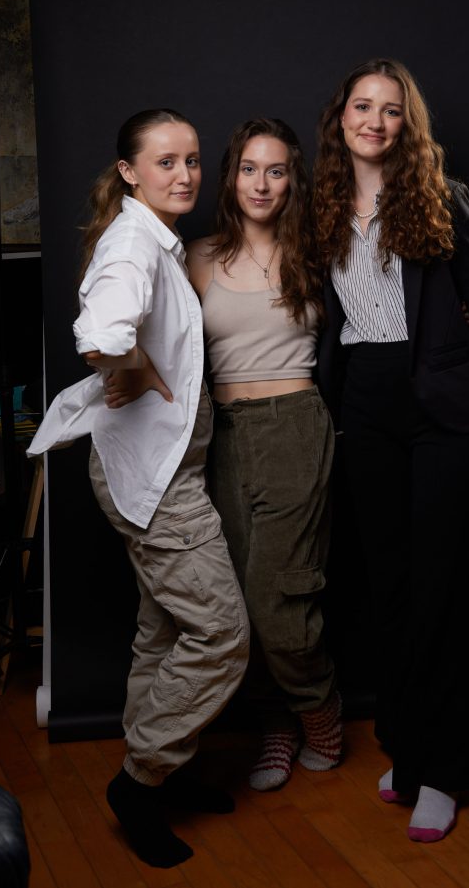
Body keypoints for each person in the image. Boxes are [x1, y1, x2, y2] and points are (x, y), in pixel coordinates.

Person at [313, 59, 469, 843]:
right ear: (340, 116)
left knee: (441, 592)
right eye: (362, 106)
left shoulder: (441, 195)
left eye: (391, 109)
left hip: (447, 408)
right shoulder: (321, 202)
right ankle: (407, 750)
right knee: (390, 590)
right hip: (366, 406)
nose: (374, 120)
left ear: (407, 123)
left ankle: (446, 769)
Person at [27, 108, 249, 868]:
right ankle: (140, 779)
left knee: (163, 630)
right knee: (220, 636)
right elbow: (99, 337)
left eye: (192, 160)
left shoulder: (154, 239)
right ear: (129, 171)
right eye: (165, 162)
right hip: (157, 485)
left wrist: (142, 367)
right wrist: (132, 366)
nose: (185, 175)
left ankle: (165, 772)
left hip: (164, 472)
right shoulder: (132, 244)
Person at [186, 117, 342, 791]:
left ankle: (319, 710)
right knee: (235, 603)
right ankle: (274, 725)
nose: (260, 183)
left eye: (275, 171)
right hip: (221, 434)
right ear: (230, 177)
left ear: (291, 181)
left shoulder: (318, 252)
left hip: (294, 428)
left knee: (280, 595)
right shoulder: (197, 258)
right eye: (249, 168)